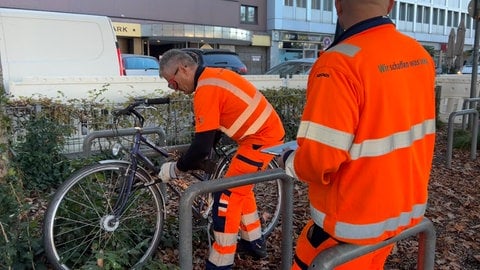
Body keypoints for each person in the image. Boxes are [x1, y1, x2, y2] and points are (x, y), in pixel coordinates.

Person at [278, 0, 436, 269]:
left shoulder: (338, 63)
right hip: (400, 213)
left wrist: (289, 161)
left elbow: (320, 159)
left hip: (349, 226)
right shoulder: (419, 55)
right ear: (391, 4)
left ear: (338, 5)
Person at [158, 49, 285, 270]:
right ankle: (254, 243)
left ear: (184, 69)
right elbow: (212, 131)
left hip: (261, 140)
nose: (174, 89)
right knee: (240, 188)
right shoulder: (213, 77)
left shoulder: (206, 89)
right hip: (261, 136)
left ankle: (221, 262)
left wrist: (176, 169)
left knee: (226, 194)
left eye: (173, 83)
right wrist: (202, 152)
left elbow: (201, 144)